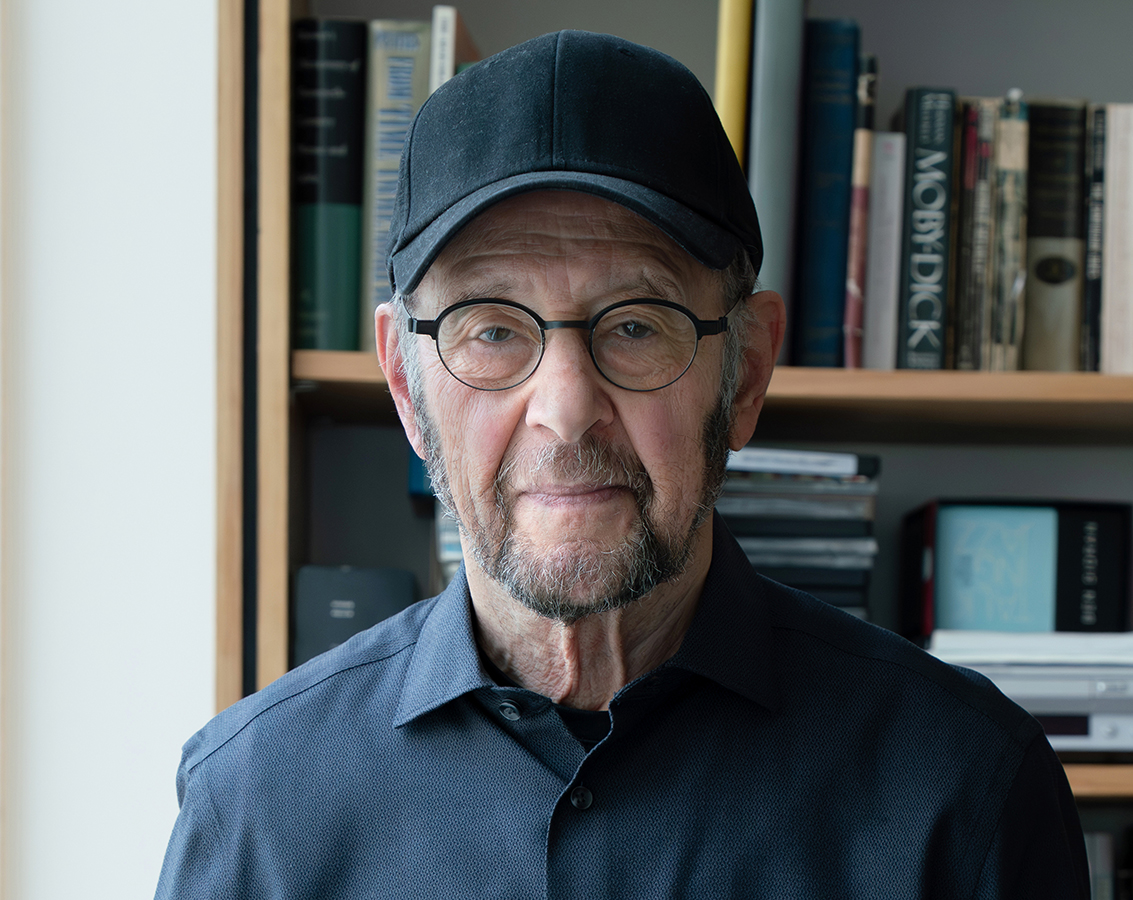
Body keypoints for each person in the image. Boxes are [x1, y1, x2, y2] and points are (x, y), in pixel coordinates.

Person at [155, 31, 1089, 898]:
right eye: (491, 329)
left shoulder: (966, 789)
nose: (566, 411)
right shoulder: (255, 807)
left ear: (746, 373)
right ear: (405, 382)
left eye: (636, 325)